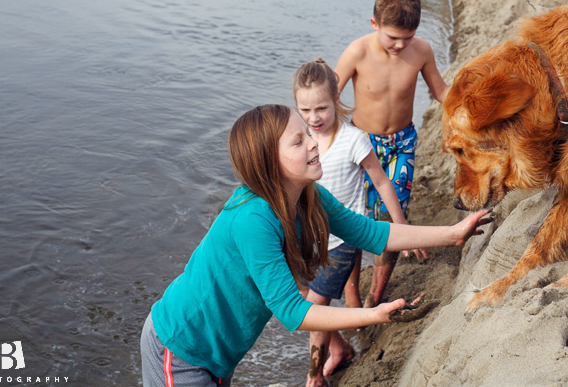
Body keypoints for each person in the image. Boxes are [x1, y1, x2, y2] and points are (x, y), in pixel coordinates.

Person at [140, 104, 488, 387]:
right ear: (267, 162)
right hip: (180, 347)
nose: (313, 142)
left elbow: (371, 233)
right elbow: (294, 312)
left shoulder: (309, 196)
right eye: (297, 141)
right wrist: (371, 314)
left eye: (308, 133)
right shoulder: (252, 220)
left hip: (219, 352)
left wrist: (454, 232)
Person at [293, 59, 419, 387]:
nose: (313, 118)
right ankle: (340, 350)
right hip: (308, 240)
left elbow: (380, 182)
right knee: (300, 296)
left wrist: (400, 226)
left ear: (336, 100)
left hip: (340, 243)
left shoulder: (353, 140)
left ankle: (314, 376)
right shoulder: (301, 141)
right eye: (304, 110)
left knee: (313, 307)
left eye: (321, 108)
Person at [335, 0, 449, 307]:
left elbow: (441, 92)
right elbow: (328, 96)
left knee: (392, 219)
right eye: (392, 37)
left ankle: (375, 297)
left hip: (402, 145)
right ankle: (352, 294)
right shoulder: (357, 52)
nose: (400, 45)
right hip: (361, 144)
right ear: (375, 24)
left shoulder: (421, 51)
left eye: (407, 37)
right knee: (353, 219)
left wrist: (469, 106)